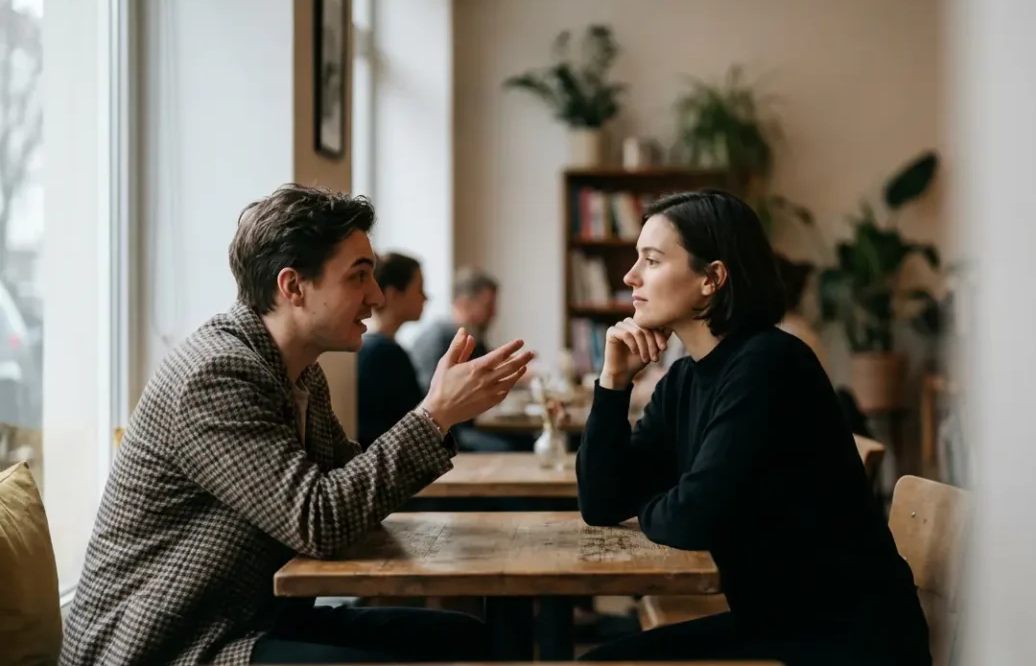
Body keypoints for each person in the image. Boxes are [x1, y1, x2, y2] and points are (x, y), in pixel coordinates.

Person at [60, 184, 534, 665]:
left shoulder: (296, 370)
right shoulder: (217, 373)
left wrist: (439, 414)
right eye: (359, 276)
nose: (374, 295)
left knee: (467, 638)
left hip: (250, 619)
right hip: (170, 645)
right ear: (292, 286)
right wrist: (434, 414)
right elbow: (321, 520)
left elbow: (349, 481)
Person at [575, 189, 931, 666]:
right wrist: (614, 382)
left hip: (845, 639)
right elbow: (601, 501)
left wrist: (657, 503)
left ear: (712, 278)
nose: (630, 276)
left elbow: (694, 516)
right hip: (779, 622)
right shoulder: (685, 378)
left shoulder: (768, 364)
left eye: (652, 260)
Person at [410, 268, 526, 452]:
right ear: (465, 304)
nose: (493, 314)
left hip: (463, 427)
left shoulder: (473, 337)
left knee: (526, 439)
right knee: (516, 447)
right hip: (447, 435)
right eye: (488, 306)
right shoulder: (440, 341)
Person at [356, 252, 427, 450]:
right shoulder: (386, 354)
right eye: (419, 289)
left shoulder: (369, 347)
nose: (426, 297)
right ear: (393, 294)